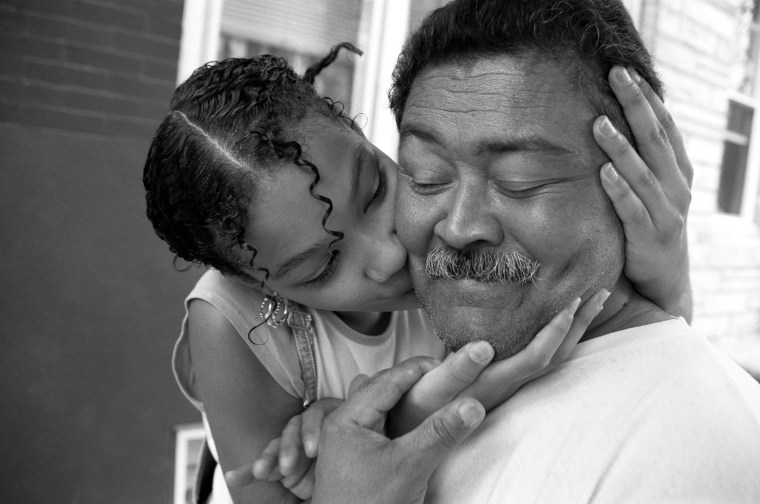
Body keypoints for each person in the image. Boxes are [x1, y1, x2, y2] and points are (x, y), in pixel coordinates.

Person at [143, 35, 692, 503]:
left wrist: (669, 273)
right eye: (320, 268)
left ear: (360, 133)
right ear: (256, 284)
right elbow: (273, 489)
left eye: (377, 188)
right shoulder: (230, 323)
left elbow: (641, 363)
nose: (386, 255)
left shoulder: (454, 218)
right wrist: (393, 422)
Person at [308, 0, 760, 502]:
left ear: (639, 181)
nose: (459, 227)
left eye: (520, 181)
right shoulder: (385, 415)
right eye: (425, 175)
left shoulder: (687, 456)